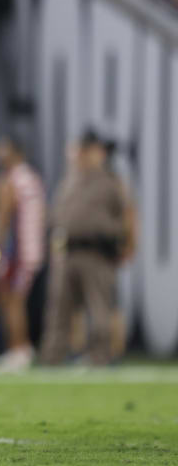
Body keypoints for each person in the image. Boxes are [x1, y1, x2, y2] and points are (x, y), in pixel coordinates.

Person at [40, 131, 135, 366]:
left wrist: (128, 245)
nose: (83, 155)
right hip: (67, 251)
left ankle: (100, 356)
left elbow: (128, 215)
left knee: (99, 308)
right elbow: (57, 216)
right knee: (58, 310)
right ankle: (52, 356)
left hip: (97, 252)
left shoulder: (111, 181)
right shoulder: (69, 181)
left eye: (88, 150)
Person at [0, 136, 45, 370]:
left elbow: (4, 217)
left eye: (2, 150)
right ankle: (19, 347)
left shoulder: (11, 180)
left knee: (12, 300)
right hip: (31, 247)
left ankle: (19, 348)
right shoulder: (32, 177)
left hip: (17, 249)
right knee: (13, 299)